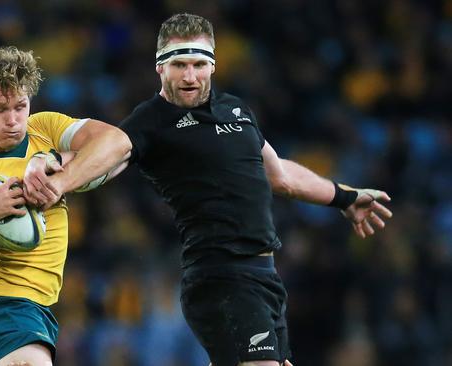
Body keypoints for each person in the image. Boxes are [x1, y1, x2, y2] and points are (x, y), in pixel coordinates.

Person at [25, 13, 393, 366]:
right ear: (160, 67)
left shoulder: (237, 110)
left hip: (264, 277)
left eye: (199, 65)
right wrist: (58, 177)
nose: (190, 75)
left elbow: (281, 176)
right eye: (179, 64)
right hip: (220, 275)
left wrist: (344, 196)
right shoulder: (150, 122)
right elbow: (110, 151)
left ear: (213, 66)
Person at [0, 46, 131, 366]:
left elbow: (119, 145)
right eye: (0, 109)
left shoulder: (44, 130)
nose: (13, 120)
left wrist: (57, 176)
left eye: (20, 106)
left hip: (36, 308)